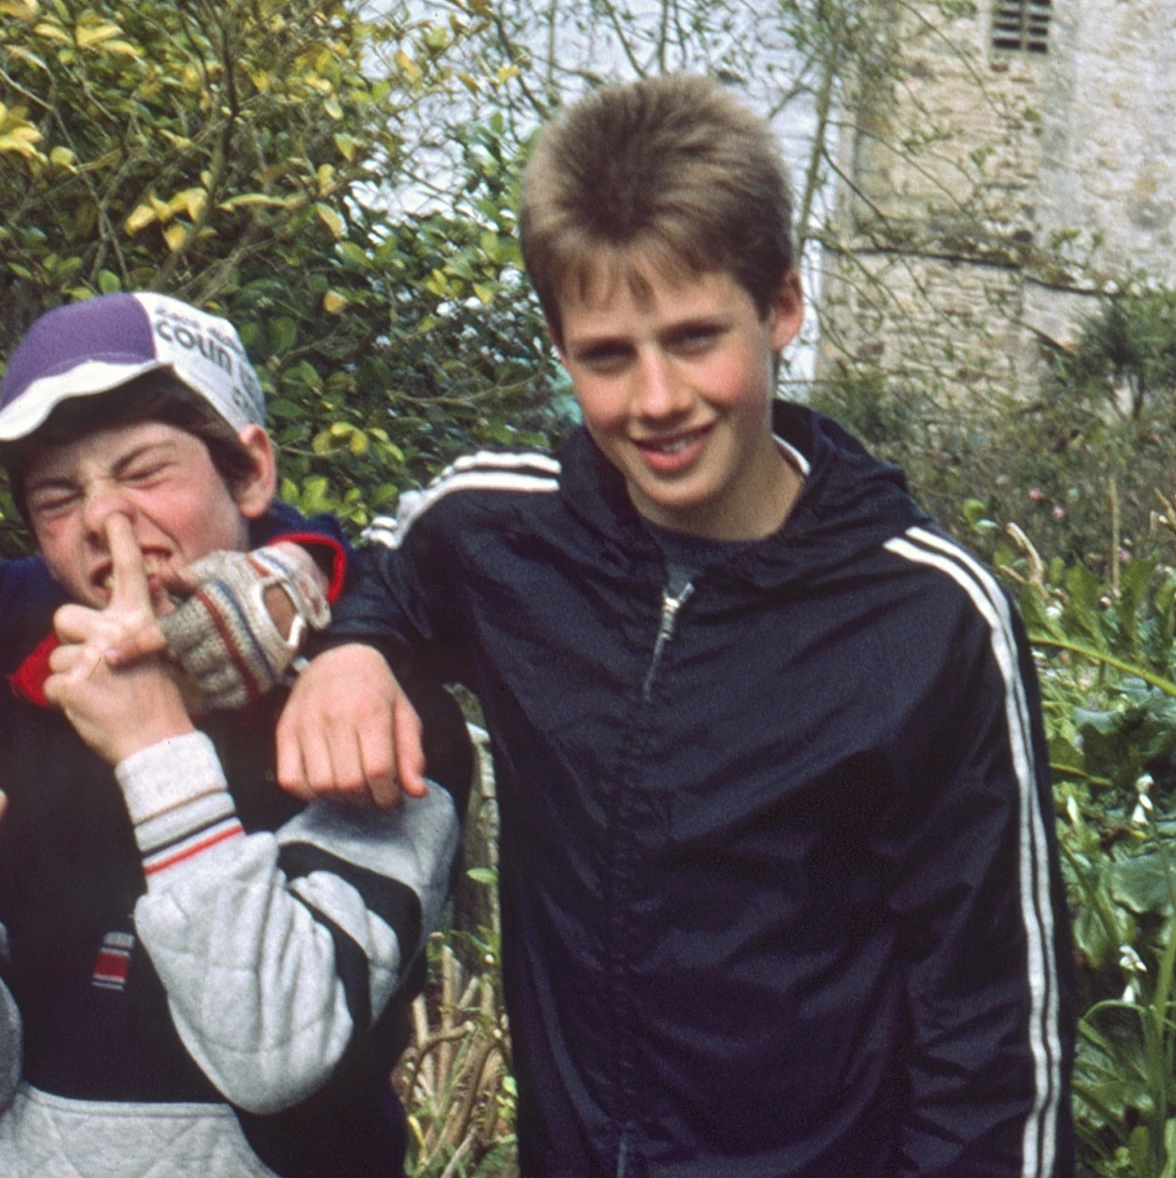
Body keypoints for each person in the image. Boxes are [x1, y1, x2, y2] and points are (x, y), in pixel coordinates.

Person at [279, 74, 1078, 1178]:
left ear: (784, 305)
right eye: (607, 353)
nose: (655, 399)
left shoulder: (925, 616)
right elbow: (382, 553)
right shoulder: (502, 529)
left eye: (695, 337)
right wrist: (350, 648)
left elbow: (995, 1036)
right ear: (561, 350)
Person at [0, 291, 472, 1178]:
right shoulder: (2, 708)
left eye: (144, 472)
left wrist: (156, 753)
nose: (106, 521)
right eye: (58, 497)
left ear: (251, 473)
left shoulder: (371, 712)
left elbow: (277, 1051)